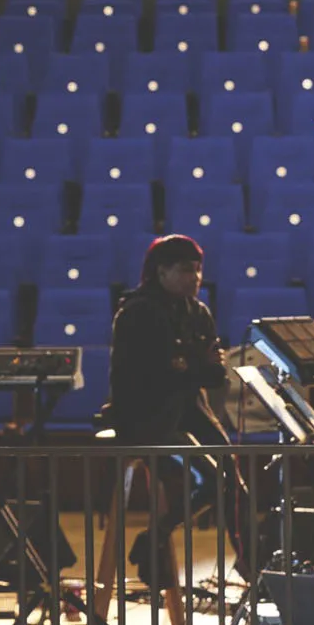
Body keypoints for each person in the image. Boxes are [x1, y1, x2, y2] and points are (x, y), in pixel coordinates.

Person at [105, 234, 250, 589]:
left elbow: (213, 375)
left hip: (188, 408)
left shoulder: (197, 312)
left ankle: (251, 567)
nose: (196, 278)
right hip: (146, 417)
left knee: (234, 483)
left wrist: (188, 367)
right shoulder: (138, 311)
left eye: (199, 270)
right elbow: (151, 376)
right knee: (209, 478)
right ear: (161, 271)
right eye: (186, 270)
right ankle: (156, 537)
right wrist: (189, 367)